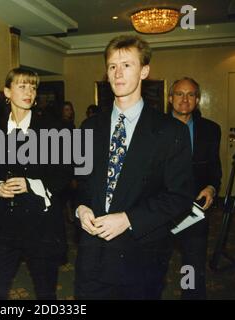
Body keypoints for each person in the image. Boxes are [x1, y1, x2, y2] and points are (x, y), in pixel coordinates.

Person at [74, 35, 194, 299]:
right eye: (112, 66)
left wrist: (129, 219)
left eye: (127, 65)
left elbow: (180, 197)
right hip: (92, 256)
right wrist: (81, 208)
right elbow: (81, 182)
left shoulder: (170, 131)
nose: (118, 73)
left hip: (141, 257)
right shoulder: (89, 127)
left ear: (144, 71)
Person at [0, 68, 70, 300]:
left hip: (40, 224)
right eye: (22, 86)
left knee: (45, 290)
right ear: (7, 92)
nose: (29, 92)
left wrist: (31, 184)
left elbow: (64, 174)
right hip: (5, 224)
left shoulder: (53, 128)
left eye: (33, 87)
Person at [169, 77, 222, 300]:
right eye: (179, 94)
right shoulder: (152, 128)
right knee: (151, 265)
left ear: (197, 100)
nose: (184, 99)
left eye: (190, 94)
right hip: (158, 210)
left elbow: (214, 168)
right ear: (170, 98)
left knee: (192, 263)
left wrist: (211, 187)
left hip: (194, 208)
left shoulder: (210, 130)